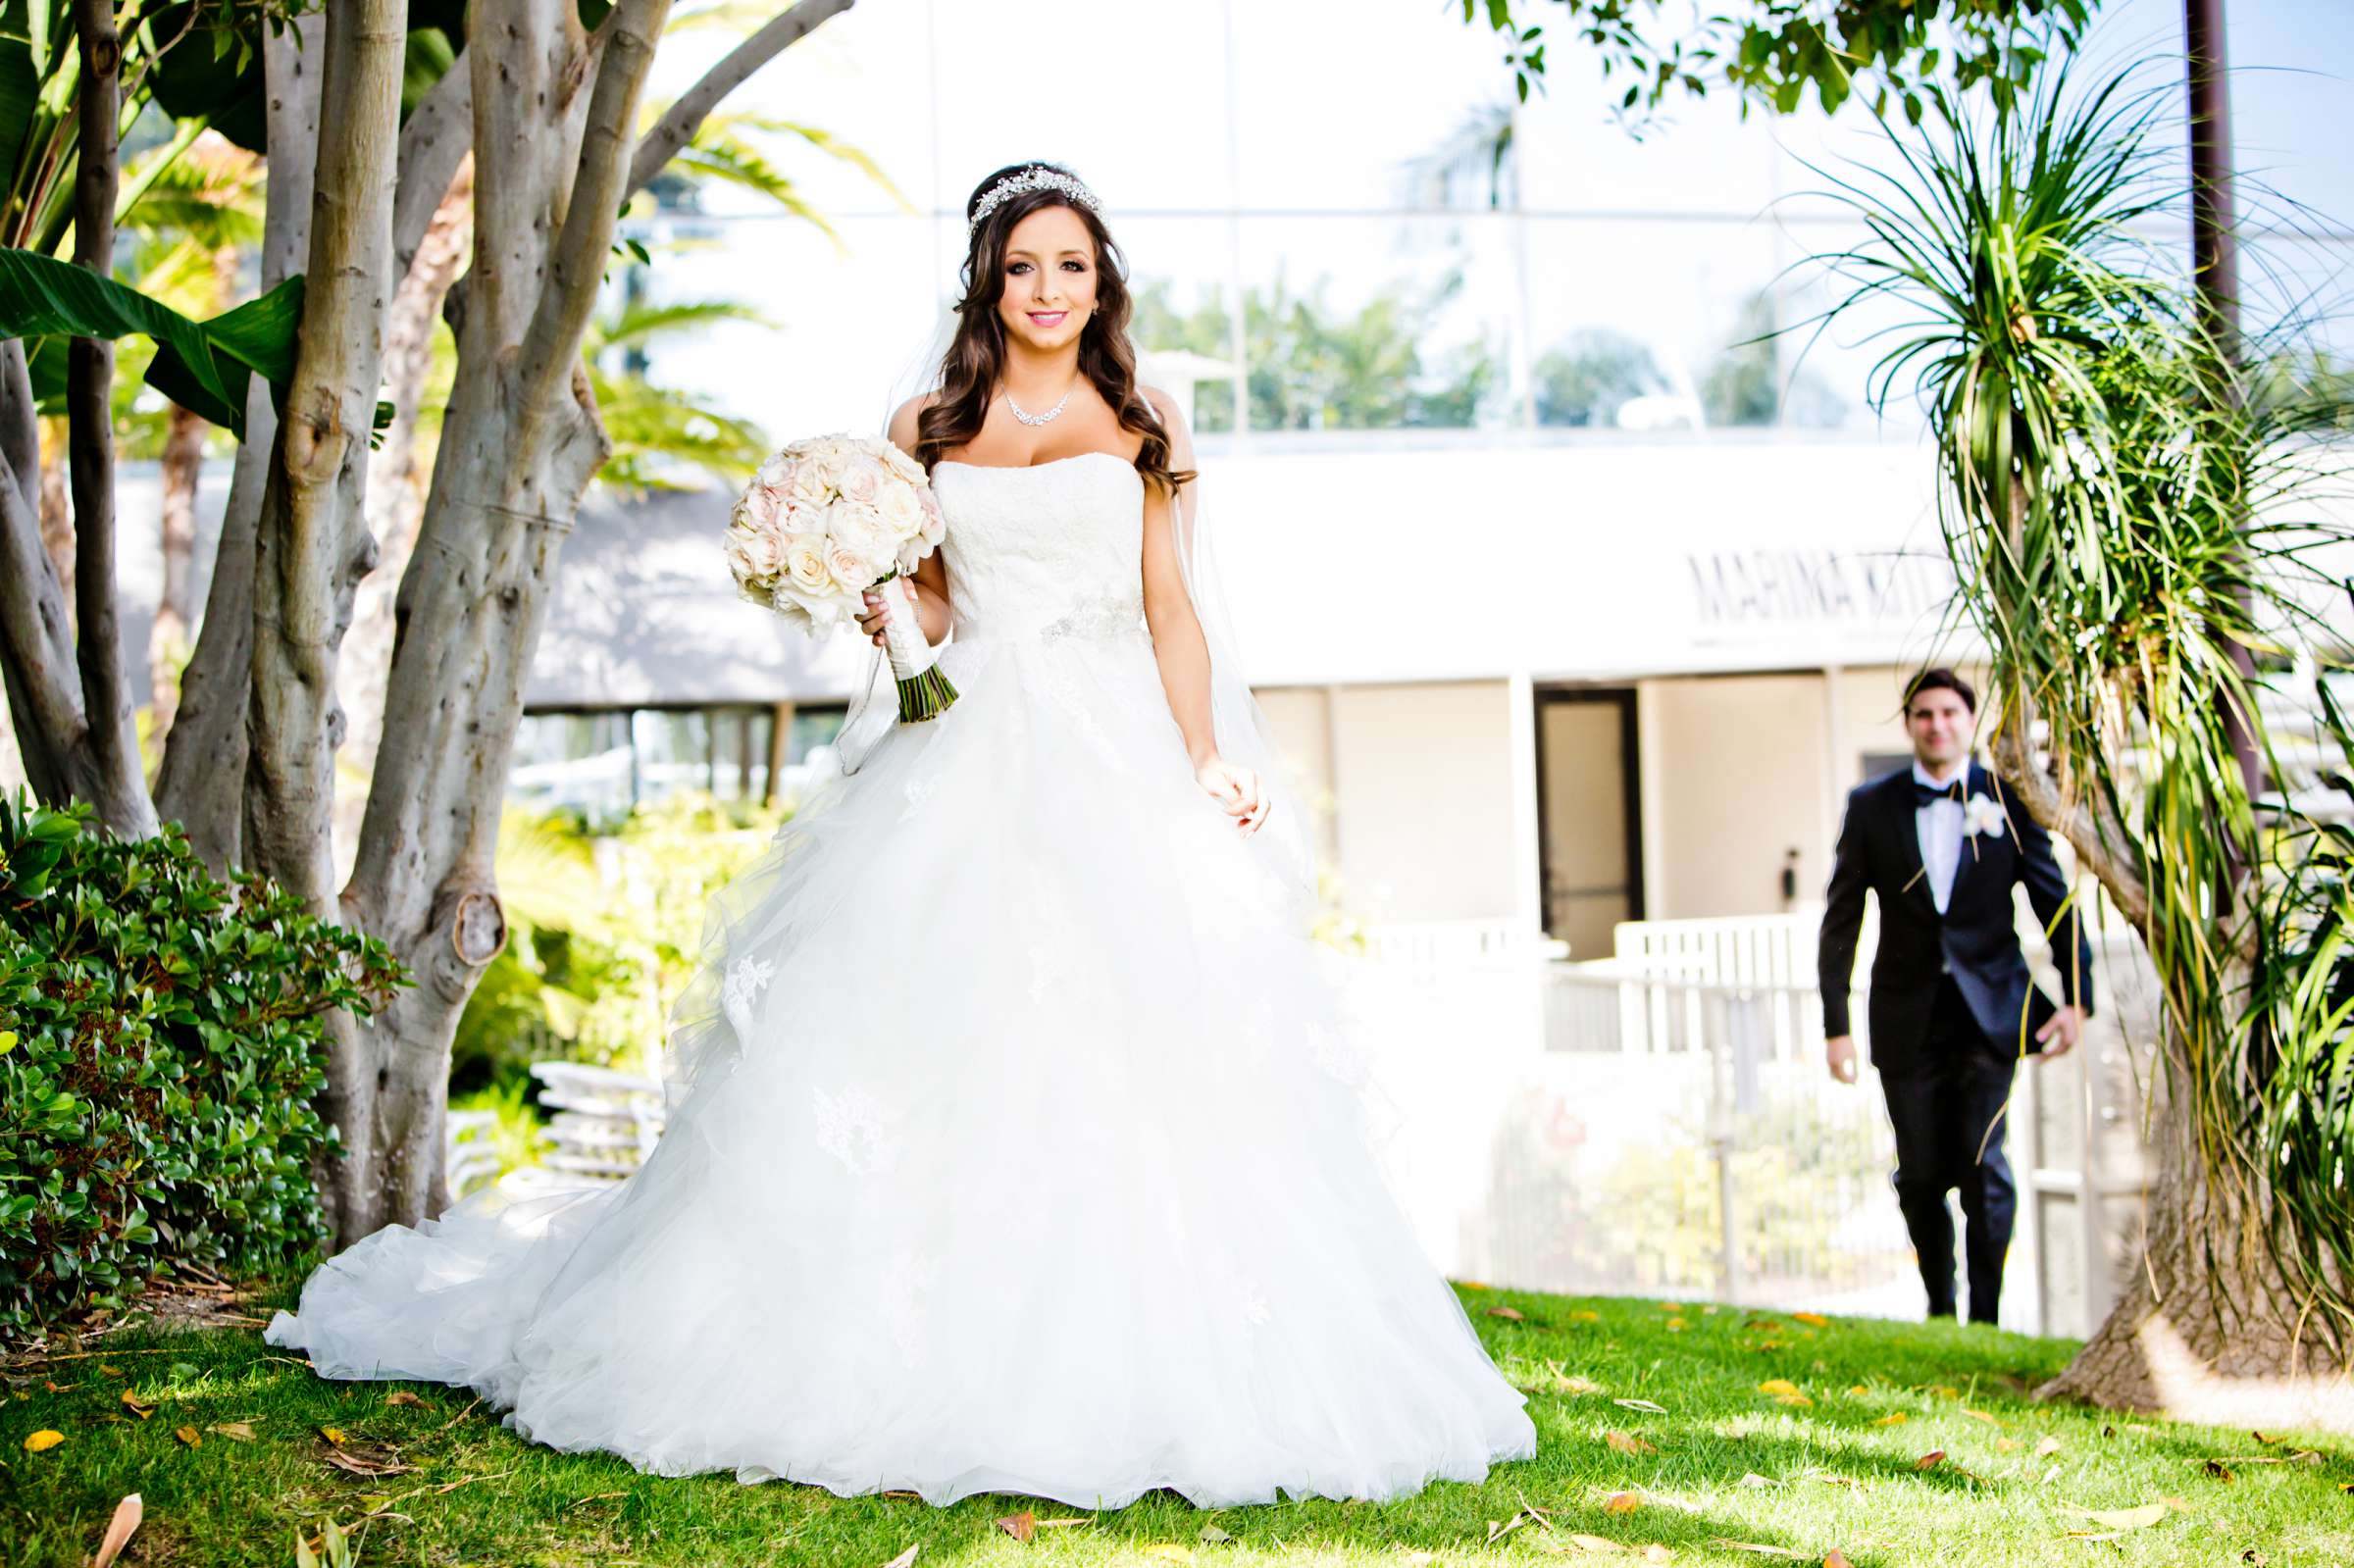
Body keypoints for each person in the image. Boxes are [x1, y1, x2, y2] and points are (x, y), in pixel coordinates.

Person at [265, 161, 1537, 1510]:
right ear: (990, 284)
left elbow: (1171, 609)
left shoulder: (1144, 417)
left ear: (1102, 284)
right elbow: (931, 608)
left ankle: (1135, 1355)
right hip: (966, 742)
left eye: (1072, 266)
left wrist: (1208, 751)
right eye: (1022, 267)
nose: (1048, 290)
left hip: (1113, 748)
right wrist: (879, 605)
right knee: (917, 1029)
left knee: (1144, 1043)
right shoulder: (926, 423)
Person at [1817, 667, 2094, 1327]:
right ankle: (1940, 1306)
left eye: (1949, 713)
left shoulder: (2008, 798)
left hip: (1990, 1015)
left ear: (1969, 720)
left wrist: (2076, 993)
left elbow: (2053, 899)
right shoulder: (1871, 805)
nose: (1936, 725)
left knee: (1984, 1166)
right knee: (1919, 1172)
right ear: (1909, 723)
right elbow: (1841, 919)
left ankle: (1986, 1318)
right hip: (1904, 1017)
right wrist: (1837, 1024)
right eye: (1923, 714)